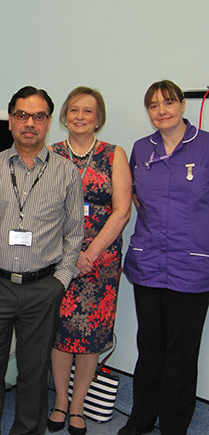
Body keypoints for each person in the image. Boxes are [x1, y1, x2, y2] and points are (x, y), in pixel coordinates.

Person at [0, 86, 83, 435]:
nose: (29, 123)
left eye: (38, 116)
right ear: (10, 121)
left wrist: (59, 283)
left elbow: (74, 233)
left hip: (42, 289)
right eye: (21, 115)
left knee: (34, 373)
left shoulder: (66, 172)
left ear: (48, 123)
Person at [118, 80, 209, 435]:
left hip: (194, 266)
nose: (162, 110)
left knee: (181, 356)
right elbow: (137, 199)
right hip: (149, 263)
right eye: (154, 105)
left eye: (168, 102)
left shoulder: (205, 146)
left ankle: (174, 425)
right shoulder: (141, 149)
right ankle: (141, 418)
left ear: (182, 106)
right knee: (149, 348)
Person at [47, 87, 132, 435]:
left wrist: (90, 253)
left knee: (91, 336)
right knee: (60, 333)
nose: (80, 116)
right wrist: (69, 255)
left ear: (98, 118)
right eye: (74, 110)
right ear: (65, 115)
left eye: (88, 111)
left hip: (101, 262)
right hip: (57, 259)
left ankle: (78, 405)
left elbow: (123, 210)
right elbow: (42, 211)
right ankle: (59, 403)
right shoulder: (50, 154)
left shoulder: (114, 155)